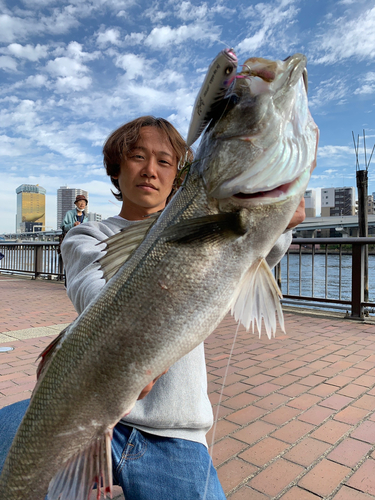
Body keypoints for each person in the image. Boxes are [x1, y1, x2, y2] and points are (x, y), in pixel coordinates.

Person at [0, 116, 305, 499]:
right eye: (137, 157)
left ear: (178, 174)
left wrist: (278, 221)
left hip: (174, 432)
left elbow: (252, 255)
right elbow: (91, 292)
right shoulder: (86, 234)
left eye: (164, 161)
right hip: (89, 412)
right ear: (115, 169)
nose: (150, 170)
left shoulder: (202, 223)